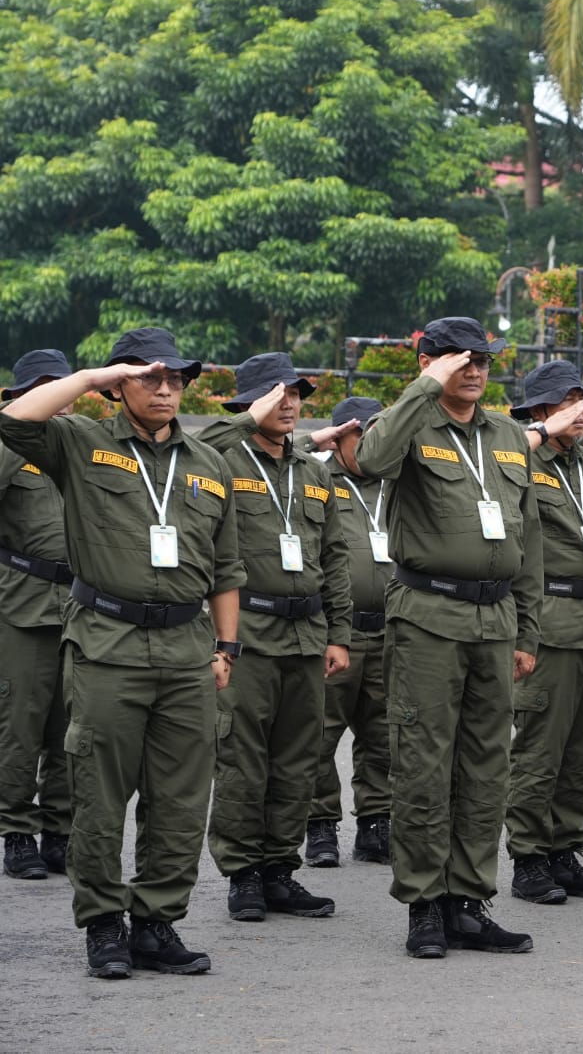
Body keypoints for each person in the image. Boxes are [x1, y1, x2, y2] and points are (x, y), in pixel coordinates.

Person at [0, 327, 244, 978]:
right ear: (119, 385)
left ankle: (156, 923)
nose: (165, 389)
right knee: (100, 794)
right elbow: (14, 420)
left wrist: (226, 647)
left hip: (188, 647)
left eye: (175, 379)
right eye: (148, 377)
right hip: (108, 642)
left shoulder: (208, 463)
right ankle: (104, 924)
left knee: (182, 798)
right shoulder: (82, 443)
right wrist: (89, 379)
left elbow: (226, 568)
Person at [353, 316, 540, 957]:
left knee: (487, 767)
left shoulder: (508, 435)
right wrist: (425, 388)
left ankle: (468, 901)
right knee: (423, 764)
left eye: (482, 359)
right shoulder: (409, 423)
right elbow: (370, 461)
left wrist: (528, 630)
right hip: (429, 615)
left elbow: (529, 540)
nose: (475, 369)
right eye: (460, 359)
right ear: (429, 362)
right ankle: (425, 905)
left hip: (496, 619)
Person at [197, 354, 351, 924]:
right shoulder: (221, 459)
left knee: (298, 758)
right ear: (249, 402)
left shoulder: (313, 471)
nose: (289, 404)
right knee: (242, 757)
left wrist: (338, 633)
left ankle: (280, 869)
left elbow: (334, 556)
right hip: (249, 632)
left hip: (307, 634)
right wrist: (247, 417)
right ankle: (243, 873)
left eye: (296, 394)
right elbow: (198, 440)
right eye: (276, 395)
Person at [502, 361, 583, 905]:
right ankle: (529, 857)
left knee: (582, 751)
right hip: (549, 621)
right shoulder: (520, 461)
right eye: (567, 402)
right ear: (539, 411)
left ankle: (564, 849)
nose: (581, 412)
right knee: (539, 749)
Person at [305, 396, 394, 868]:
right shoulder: (316, 479)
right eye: (361, 434)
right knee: (320, 733)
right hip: (337, 630)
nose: (372, 443)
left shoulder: (397, 482)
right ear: (337, 438)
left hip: (392, 629)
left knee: (385, 733)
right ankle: (320, 824)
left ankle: (376, 822)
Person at [0, 349, 74, 882]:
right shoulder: (7, 445)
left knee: (71, 728)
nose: (57, 397)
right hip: (22, 602)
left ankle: (60, 830)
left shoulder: (80, 445)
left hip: (83, 604)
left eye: (62, 387)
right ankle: (16, 831)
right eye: (45, 388)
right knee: (20, 725)